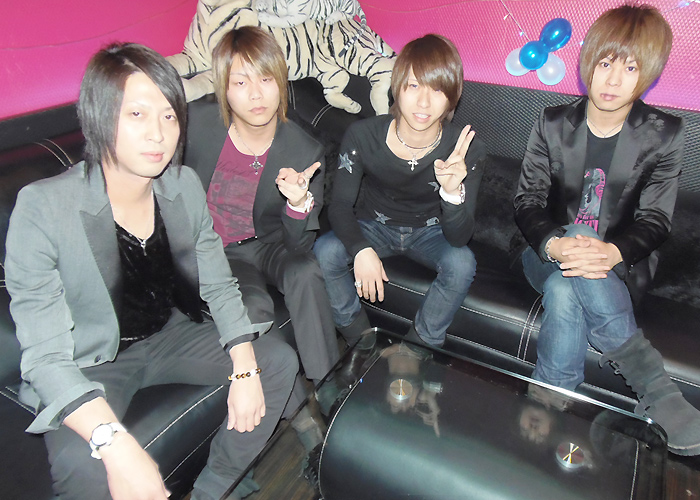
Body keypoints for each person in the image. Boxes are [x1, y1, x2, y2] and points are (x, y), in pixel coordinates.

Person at [4, 43, 298, 500]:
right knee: (85, 466)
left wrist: (244, 367)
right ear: (99, 118)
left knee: (276, 361)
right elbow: (45, 356)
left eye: (169, 115)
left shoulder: (182, 184)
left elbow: (219, 283)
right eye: (137, 114)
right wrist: (115, 444)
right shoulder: (44, 207)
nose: (158, 134)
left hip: (170, 332)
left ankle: (217, 487)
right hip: (93, 362)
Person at [513, 4, 700, 455]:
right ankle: (655, 388)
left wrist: (613, 252)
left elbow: (656, 219)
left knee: (565, 288)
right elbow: (527, 202)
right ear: (588, 63)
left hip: (617, 269)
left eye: (630, 68)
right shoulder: (552, 123)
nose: (613, 80)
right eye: (605, 63)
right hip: (546, 255)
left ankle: (551, 395)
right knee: (575, 247)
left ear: (647, 74)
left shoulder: (665, 134)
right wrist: (556, 244)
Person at [184, 26, 339, 402]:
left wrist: (298, 204)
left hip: (269, 244)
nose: (256, 94)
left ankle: (332, 396)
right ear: (223, 88)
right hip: (216, 250)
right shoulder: (195, 125)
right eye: (241, 82)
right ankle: (290, 411)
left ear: (281, 81)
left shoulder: (305, 151)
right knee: (251, 308)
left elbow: (299, 247)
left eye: (266, 79)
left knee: (306, 272)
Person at [314, 34, 486, 348]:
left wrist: (451, 195)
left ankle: (416, 349)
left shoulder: (465, 149)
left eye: (437, 89)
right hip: (374, 225)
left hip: (432, 232)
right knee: (326, 251)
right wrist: (361, 249)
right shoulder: (363, 135)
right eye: (414, 85)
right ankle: (361, 342)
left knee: (462, 263)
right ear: (397, 88)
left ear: (452, 97)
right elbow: (339, 205)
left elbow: (460, 238)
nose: (424, 102)